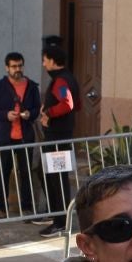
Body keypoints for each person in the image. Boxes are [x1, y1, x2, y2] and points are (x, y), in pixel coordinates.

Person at [0, 52, 43, 217]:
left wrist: (29, 114)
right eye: (14, 66)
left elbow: (36, 108)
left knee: (26, 172)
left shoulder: (31, 86)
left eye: (20, 66)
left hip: (25, 136)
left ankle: (26, 207)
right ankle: (1, 208)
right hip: (6, 137)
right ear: (7, 68)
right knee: (4, 172)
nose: (17, 69)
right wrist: (5, 115)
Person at [36, 45, 83, 238]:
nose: (43, 64)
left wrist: (48, 113)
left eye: (45, 60)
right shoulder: (67, 78)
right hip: (58, 135)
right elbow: (77, 104)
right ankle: (56, 213)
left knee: (57, 177)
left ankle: (60, 221)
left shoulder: (61, 80)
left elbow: (68, 103)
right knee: (45, 172)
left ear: (52, 61)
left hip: (58, 138)